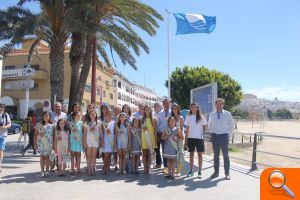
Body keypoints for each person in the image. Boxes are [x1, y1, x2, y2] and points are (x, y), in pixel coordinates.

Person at [208, 98, 234, 180]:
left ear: (223, 105)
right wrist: (213, 131)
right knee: (216, 156)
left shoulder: (227, 114)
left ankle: (227, 173)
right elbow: (209, 125)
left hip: (224, 137)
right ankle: (216, 172)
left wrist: (227, 135)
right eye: (217, 104)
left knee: (226, 156)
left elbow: (232, 126)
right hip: (215, 137)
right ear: (215, 105)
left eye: (221, 104)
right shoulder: (212, 114)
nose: (219, 106)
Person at [184, 103, 207, 179]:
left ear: (197, 108)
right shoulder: (188, 116)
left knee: (200, 155)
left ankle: (199, 171)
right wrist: (186, 141)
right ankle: (191, 171)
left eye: (195, 107)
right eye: (192, 107)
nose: (193, 108)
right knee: (191, 155)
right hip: (190, 138)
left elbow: (204, 125)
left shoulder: (200, 116)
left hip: (199, 139)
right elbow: (187, 129)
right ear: (190, 108)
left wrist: (202, 133)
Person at [34, 111, 53, 177]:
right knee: (42, 157)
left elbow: (54, 136)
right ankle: (42, 171)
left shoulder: (52, 126)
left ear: (49, 117)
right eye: (44, 115)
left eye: (47, 115)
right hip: (41, 144)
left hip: (49, 144)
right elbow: (35, 135)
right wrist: (35, 144)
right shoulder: (39, 125)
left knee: (47, 157)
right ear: (42, 116)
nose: (46, 117)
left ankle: (47, 171)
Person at [83, 109, 101, 176]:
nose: (92, 115)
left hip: (96, 141)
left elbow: (101, 132)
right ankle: (89, 170)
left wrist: (102, 140)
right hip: (88, 140)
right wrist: (84, 142)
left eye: (94, 114)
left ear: (96, 115)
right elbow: (84, 133)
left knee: (93, 156)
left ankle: (93, 170)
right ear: (89, 115)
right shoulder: (86, 123)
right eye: (91, 114)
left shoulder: (98, 122)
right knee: (88, 156)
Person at [141, 105, 157, 174]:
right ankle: (145, 168)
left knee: (150, 153)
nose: (147, 111)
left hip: (151, 138)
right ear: (144, 111)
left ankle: (149, 168)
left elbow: (155, 131)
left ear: (150, 110)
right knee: (144, 153)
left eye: (148, 109)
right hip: (144, 138)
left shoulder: (154, 119)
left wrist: (156, 140)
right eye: (145, 109)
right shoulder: (141, 119)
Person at [157, 98, 171, 173]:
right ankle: (165, 167)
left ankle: (172, 167)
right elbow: (158, 124)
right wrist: (159, 132)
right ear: (163, 104)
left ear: (169, 103)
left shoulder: (172, 112)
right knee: (164, 151)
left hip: (171, 135)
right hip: (162, 134)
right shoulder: (160, 113)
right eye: (164, 103)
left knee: (171, 151)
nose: (166, 104)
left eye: (167, 103)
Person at [171, 103, 184, 176]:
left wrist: (177, 137)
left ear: (178, 109)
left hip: (179, 138)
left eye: (176, 108)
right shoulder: (171, 118)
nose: (174, 110)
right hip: (172, 138)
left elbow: (181, 130)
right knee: (173, 154)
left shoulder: (181, 118)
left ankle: (178, 171)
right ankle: (174, 169)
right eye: (173, 108)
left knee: (179, 154)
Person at [101, 110, 115, 175]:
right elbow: (101, 133)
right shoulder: (103, 123)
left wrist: (114, 141)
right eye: (107, 115)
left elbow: (115, 132)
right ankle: (105, 167)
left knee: (109, 156)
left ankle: (107, 169)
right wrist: (102, 140)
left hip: (111, 140)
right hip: (105, 140)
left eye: (110, 115)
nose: (109, 116)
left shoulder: (114, 123)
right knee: (106, 156)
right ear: (105, 116)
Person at [69, 111, 84, 175]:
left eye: (79, 115)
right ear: (74, 116)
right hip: (73, 140)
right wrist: (73, 136)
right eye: (78, 115)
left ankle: (78, 169)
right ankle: (72, 169)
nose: (79, 116)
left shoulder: (81, 123)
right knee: (73, 155)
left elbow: (82, 132)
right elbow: (70, 132)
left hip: (79, 140)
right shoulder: (71, 123)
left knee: (78, 155)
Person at [0, 104, 11, 173]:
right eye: (0, 108)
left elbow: (10, 124)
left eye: (2, 108)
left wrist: (5, 127)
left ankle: (0, 165)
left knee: (1, 150)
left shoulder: (5, 115)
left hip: (3, 135)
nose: (1, 109)